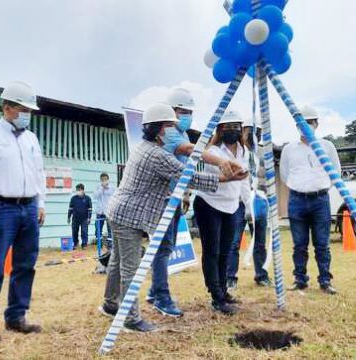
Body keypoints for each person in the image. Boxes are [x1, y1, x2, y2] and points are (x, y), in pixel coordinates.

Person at [98, 103, 247, 331]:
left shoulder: (144, 147)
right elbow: (188, 178)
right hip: (128, 216)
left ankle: (110, 304)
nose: (173, 130)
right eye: (169, 125)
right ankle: (130, 319)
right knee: (131, 268)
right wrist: (228, 179)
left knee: (118, 262)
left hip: (119, 211)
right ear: (158, 129)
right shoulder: (157, 155)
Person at [146, 88, 243, 318]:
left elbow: (186, 171)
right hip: (162, 199)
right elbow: (190, 152)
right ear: (171, 113)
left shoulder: (184, 134)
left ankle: (154, 291)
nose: (186, 115)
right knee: (162, 249)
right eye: (182, 111)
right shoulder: (168, 132)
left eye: (189, 111)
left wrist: (186, 194)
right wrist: (221, 162)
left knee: (166, 247)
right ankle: (161, 296)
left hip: (175, 197)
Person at [0, 81, 46, 344]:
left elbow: (39, 173)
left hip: (28, 206)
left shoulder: (31, 138)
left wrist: (40, 204)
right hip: (0, 206)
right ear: (6, 107)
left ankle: (17, 316)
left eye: (30, 109)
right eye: (23, 108)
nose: (27, 113)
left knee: (26, 264)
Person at [193, 110, 252, 315]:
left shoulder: (244, 152)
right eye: (228, 127)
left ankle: (224, 291)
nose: (233, 131)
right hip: (209, 204)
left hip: (231, 206)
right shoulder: (214, 151)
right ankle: (216, 296)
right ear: (220, 130)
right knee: (212, 251)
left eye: (236, 127)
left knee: (226, 251)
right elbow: (224, 173)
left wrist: (248, 206)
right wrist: (235, 172)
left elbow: (245, 182)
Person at [279, 105, 340, 295]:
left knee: (322, 243)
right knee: (299, 244)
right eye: (301, 123)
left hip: (320, 199)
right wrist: (300, 187)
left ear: (316, 124)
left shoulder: (327, 147)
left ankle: (325, 280)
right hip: (297, 200)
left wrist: (320, 187)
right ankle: (300, 279)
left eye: (309, 122)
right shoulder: (289, 149)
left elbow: (335, 172)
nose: (305, 126)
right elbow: (284, 174)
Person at [226, 118, 271, 290]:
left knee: (259, 240)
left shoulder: (264, 153)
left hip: (259, 201)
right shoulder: (237, 152)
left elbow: (268, 179)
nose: (254, 135)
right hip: (238, 203)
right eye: (250, 131)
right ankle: (230, 277)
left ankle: (261, 275)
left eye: (258, 132)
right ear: (242, 131)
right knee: (234, 242)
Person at [94, 173, 114, 251]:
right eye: (102, 180)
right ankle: (100, 244)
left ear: (108, 179)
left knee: (110, 229)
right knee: (98, 229)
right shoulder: (98, 187)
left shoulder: (112, 188)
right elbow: (95, 196)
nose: (104, 181)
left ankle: (110, 246)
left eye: (105, 179)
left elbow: (115, 197)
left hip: (109, 212)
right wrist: (102, 188)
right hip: (100, 212)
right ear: (100, 180)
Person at [68, 184, 92, 249]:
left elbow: (90, 209)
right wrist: (69, 217)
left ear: (83, 190)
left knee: (84, 231)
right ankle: (75, 243)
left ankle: (84, 244)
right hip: (75, 218)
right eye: (77, 190)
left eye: (79, 190)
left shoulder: (87, 198)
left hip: (84, 218)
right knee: (74, 231)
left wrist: (89, 218)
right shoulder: (73, 198)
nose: (77, 191)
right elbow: (70, 209)